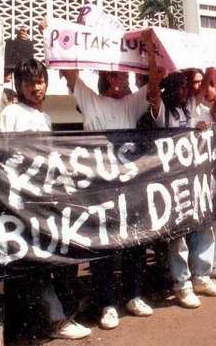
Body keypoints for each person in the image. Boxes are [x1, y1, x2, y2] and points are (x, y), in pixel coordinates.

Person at [57, 46, 154, 329]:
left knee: (135, 241)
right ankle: (108, 304)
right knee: (103, 248)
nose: (126, 80)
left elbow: (153, 85)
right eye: (121, 76)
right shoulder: (90, 101)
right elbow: (71, 73)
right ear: (110, 78)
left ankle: (134, 295)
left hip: (129, 189)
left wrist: (151, 51)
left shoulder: (130, 105)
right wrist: (58, 38)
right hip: (98, 191)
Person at [0, 59, 91, 340]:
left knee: (50, 259)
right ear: (19, 86)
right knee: (34, 262)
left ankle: (55, 316)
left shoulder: (44, 117)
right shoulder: (11, 114)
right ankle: (56, 319)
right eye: (29, 83)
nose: (36, 88)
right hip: (21, 200)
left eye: (40, 81)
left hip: (42, 199)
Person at [144, 39, 216, 307]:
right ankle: (182, 284)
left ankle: (202, 276)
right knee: (178, 236)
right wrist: (154, 66)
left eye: (184, 86)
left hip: (195, 179)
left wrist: (213, 60)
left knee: (204, 226)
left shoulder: (189, 107)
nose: (183, 91)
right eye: (177, 87)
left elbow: (203, 87)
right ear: (168, 90)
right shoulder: (162, 111)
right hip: (172, 183)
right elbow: (153, 92)